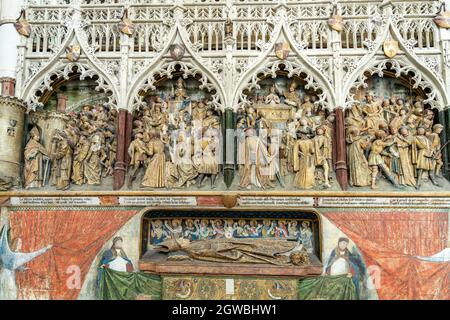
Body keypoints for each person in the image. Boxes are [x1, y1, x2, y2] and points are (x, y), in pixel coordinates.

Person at [0, 224, 52, 300]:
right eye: (20, 243)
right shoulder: (17, 255)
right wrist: (46, 248)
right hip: (8, 277)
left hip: (3, 276)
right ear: (16, 244)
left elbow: (11, 264)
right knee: (11, 294)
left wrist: (21, 268)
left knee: (4, 294)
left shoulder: (8, 254)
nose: (21, 245)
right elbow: (33, 255)